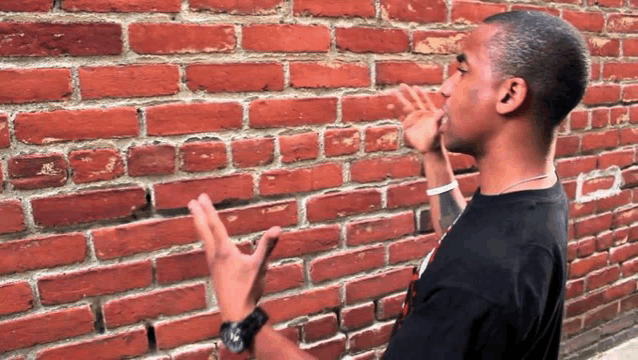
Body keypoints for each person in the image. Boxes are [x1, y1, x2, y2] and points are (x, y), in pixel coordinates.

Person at [187, 10, 590, 360]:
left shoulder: (478, 280)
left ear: (510, 94)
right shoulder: (536, 197)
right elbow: (463, 235)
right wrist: (434, 156)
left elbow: (476, 262)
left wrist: (244, 320)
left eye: (462, 69)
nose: (446, 87)